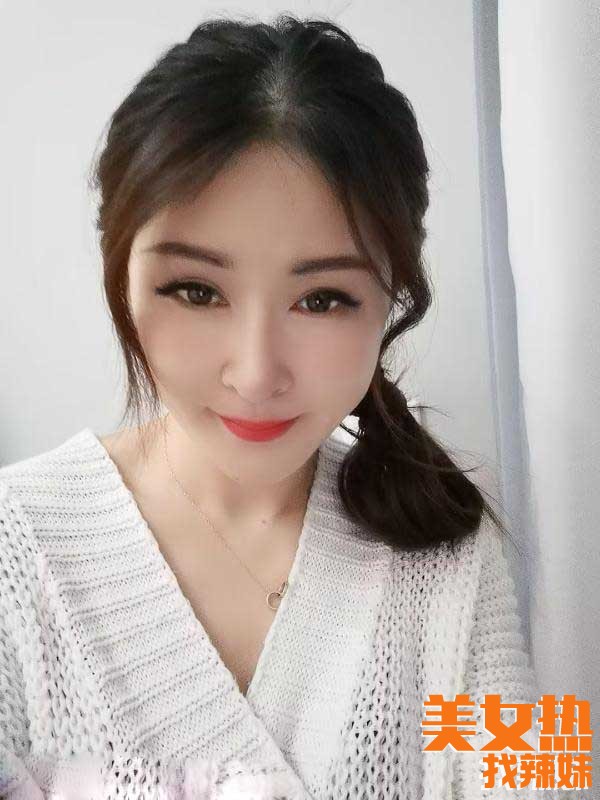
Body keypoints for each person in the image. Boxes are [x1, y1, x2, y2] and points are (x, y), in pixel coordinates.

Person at [0, 14, 555, 800]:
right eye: (197, 291)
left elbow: (539, 777)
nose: (256, 374)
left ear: (392, 297)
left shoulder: (448, 543)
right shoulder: (15, 548)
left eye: (322, 299)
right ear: (121, 276)